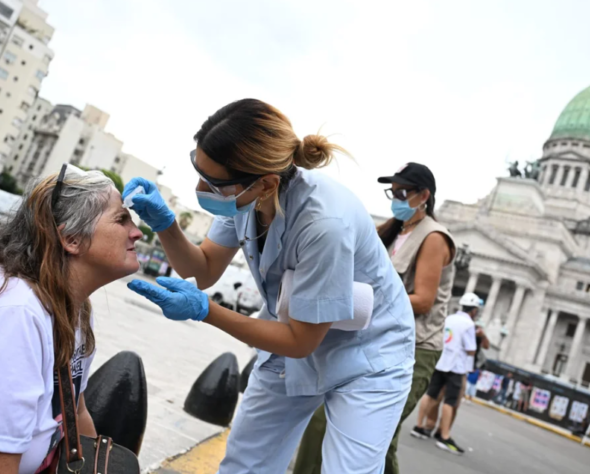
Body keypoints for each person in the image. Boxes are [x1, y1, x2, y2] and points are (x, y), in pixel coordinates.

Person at [123, 98, 415, 474]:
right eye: (199, 171)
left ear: (266, 183)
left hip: (368, 353)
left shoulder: (324, 223)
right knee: (244, 464)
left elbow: (300, 341)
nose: (200, 187)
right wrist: (166, 225)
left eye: (213, 183)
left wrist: (206, 310)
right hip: (292, 332)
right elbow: (205, 269)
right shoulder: (245, 197)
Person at [0, 165, 143, 473]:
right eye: (121, 219)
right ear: (72, 239)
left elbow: (75, 412)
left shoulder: (73, 308)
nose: (137, 232)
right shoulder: (11, 316)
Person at [292, 162, 456, 474]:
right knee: (324, 421)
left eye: (402, 193)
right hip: (372, 339)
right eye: (392, 192)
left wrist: (360, 300)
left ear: (424, 196)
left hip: (415, 348)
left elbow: (423, 301)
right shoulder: (393, 230)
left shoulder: (433, 237)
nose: (395, 199)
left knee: (376, 437)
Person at [411, 293, 480, 455]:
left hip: (441, 362)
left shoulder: (449, 318)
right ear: (474, 310)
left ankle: (419, 426)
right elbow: (471, 349)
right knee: (450, 401)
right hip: (455, 367)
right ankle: (444, 436)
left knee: (430, 395)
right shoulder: (469, 324)